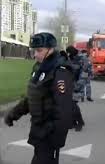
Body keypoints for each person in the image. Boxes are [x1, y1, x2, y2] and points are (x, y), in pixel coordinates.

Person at [4, 32, 74, 164]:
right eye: (34, 51)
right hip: (39, 129)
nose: (35, 54)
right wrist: (13, 114)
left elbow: (64, 109)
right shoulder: (39, 67)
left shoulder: (60, 71)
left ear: (51, 49)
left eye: (39, 50)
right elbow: (33, 96)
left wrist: (56, 138)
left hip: (49, 133)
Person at [66, 46, 85, 131]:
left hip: (78, 85)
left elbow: (85, 74)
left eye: (68, 53)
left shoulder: (83, 60)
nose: (68, 54)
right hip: (70, 85)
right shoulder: (70, 59)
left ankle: (80, 122)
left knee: (73, 104)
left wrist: (77, 86)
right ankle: (72, 122)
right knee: (69, 104)